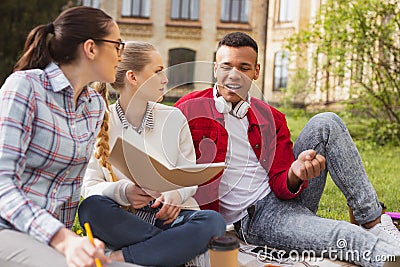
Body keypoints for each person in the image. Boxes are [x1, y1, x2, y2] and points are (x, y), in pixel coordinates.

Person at [174, 31, 400, 267]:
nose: (233, 75)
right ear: (215, 69)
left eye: (243, 67)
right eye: (226, 66)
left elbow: (282, 186)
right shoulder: (189, 109)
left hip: (285, 199)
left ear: (256, 72)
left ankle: (373, 221)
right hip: (255, 219)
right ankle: (388, 256)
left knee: (327, 121)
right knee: (345, 236)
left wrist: (296, 171)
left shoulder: (271, 117)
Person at [0, 5, 131, 267]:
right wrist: (63, 240)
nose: (120, 54)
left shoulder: (94, 105)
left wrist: (72, 244)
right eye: (117, 45)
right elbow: (2, 186)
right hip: (8, 228)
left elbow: (70, 188)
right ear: (91, 48)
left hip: (52, 238)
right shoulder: (25, 86)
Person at [78, 41, 226, 267]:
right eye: (158, 72)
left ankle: (123, 257)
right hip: (124, 219)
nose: (165, 79)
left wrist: (176, 196)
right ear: (133, 77)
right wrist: (124, 191)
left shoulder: (174, 118)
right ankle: (173, 250)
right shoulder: (100, 121)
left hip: (171, 217)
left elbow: (189, 175)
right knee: (90, 208)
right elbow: (89, 186)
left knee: (213, 222)